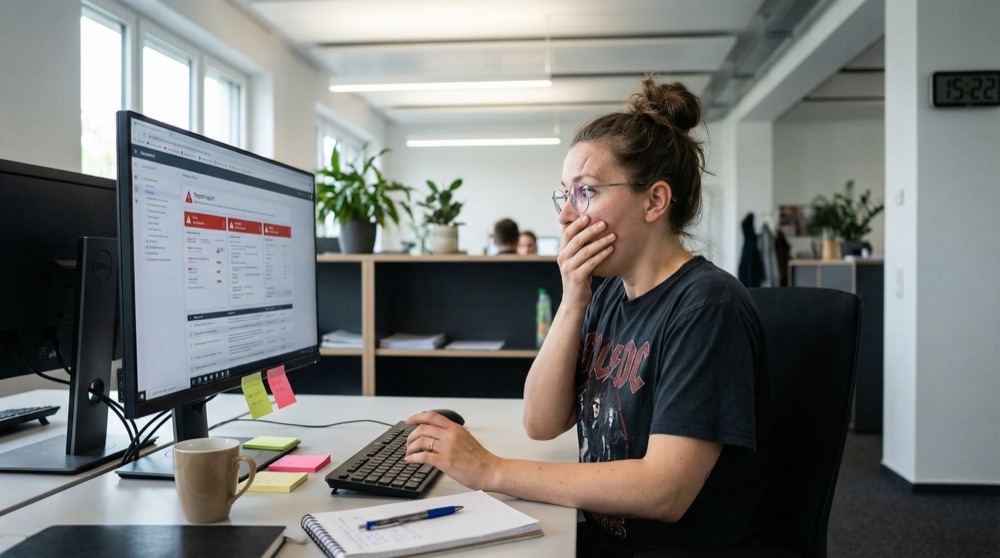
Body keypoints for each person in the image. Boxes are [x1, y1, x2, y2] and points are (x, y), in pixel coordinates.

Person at [404, 76, 769, 557]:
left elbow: (665, 490)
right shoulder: (609, 295)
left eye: (586, 192)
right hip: (592, 536)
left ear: (655, 201)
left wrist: (491, 470)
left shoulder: (706, 307)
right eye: (565, 194)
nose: (565, 217)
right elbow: (540, 421)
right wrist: (574, 297)